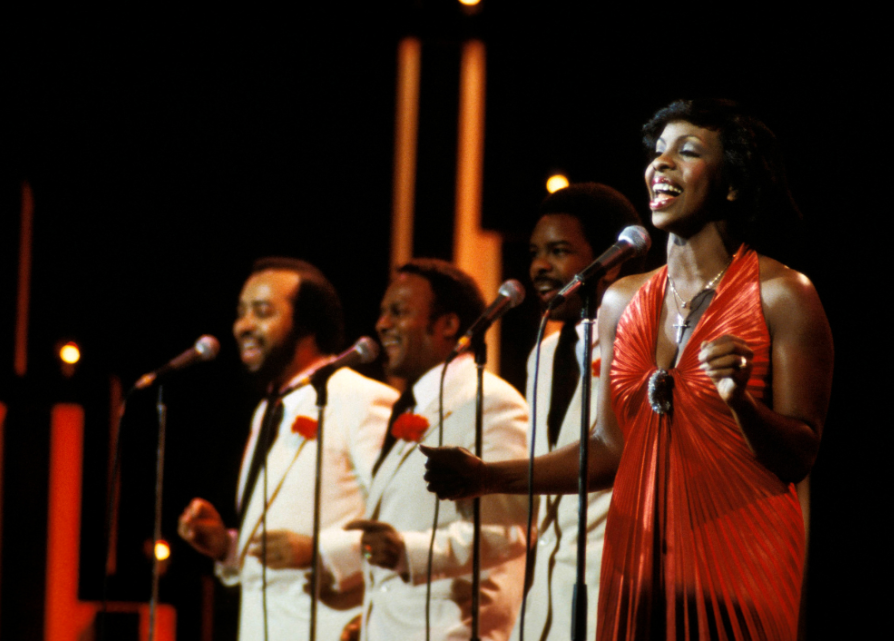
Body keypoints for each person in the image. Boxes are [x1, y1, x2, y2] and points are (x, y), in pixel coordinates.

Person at [424, 100, 833, 641]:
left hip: (736, 559)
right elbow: (609, 448)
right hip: (636, 559)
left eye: (686, 152)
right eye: (657, 152)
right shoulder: (621, 300)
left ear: (732, 185)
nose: (660, 164)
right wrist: (485, 477)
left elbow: (800, 453)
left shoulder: (783, 295)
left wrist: (741, 404)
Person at [177, 257, 396, 641]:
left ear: (307, 326)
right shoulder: (267, 411)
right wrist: (228, 547)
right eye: (241, 312)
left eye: (262, 312)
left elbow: (402, 527)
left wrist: (320, 551)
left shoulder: (361, 400)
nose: (243, 325)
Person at [321, 259, 531, 640]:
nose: (382, 324)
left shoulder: (490, 402)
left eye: (398, 312)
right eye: (383, 312)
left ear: (448, 325)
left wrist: (406, 550)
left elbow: (510, 531)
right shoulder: (414, 405)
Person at [519, 183, 641, 641]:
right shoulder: (543, 353)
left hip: (614, 585)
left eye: (559, 251)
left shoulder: (636, 339)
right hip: (543, 599)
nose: (539, 267)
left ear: (612, 260)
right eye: (535, 252)